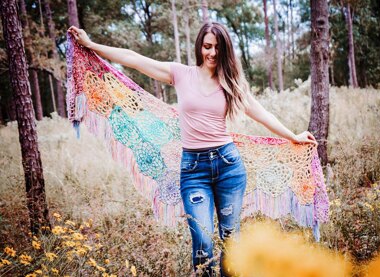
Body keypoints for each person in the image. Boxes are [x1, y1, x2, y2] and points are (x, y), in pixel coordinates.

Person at [68, 22, 317, 276]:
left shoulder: (230, 82)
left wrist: (292, 135)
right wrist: (91, 45)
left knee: (232, 240)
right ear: (200, 47)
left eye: (218, 48)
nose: (212, 53)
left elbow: (261, 113)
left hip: (228, 167)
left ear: (225, 51)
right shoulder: (181, 74)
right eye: (207, 46)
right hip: (193, 171)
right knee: (203, 242)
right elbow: (133, 59)